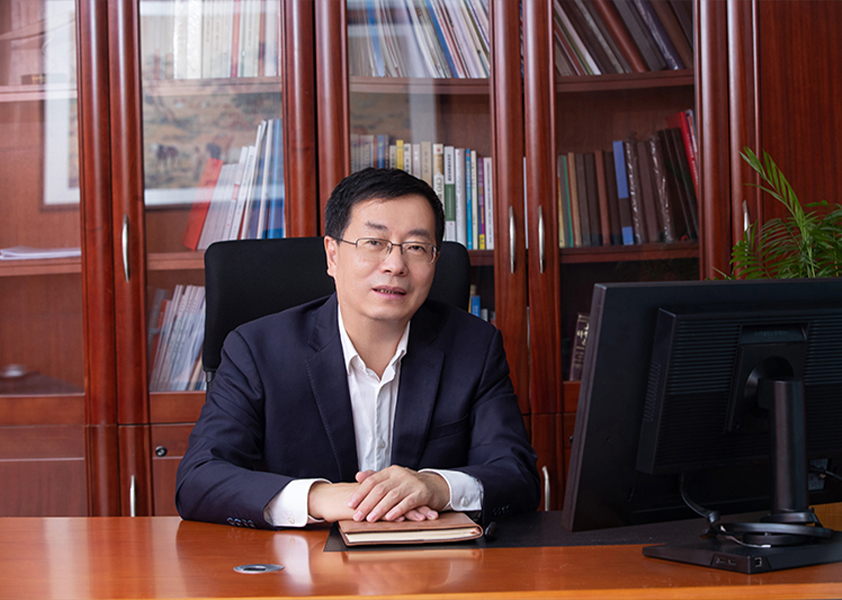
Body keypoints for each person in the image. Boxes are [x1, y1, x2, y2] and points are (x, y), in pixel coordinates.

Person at [176, 168, 540, 529]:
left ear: (434, 260)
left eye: (416, 248)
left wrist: (437, 486)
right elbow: (198, 478)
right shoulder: (257, 351)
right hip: (304, 560)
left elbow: (517, 475)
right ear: (332, 255)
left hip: (432, 559)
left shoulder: (474, 347)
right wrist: (320, 498)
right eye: (374, 243)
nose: (395, 265)